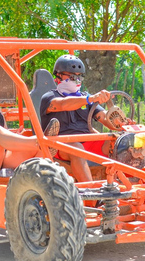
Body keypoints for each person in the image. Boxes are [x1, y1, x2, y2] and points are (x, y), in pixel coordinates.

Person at [40, 54, 120, 182]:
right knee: (77, 148)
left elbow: (105, 118)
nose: (76, 80)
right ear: (58, 76)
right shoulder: (49, 97)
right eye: (72, 76)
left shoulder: (86, 98)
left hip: (87, 141)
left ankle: (124, 185)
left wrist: (118, 121)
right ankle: (90, 191)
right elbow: (63, 104)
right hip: (61, 146)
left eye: (79, 76)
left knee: (118, 143)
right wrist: (90, 98)